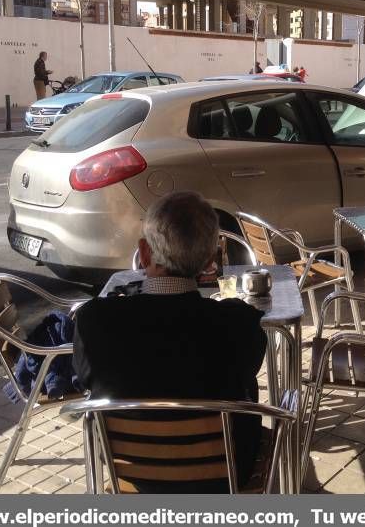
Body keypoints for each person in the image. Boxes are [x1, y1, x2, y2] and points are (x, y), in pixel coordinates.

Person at [72, 191, 267, 492]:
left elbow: (84, 380)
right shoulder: (238, 323)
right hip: (223, 475)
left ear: (145, 253)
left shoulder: (94, 321)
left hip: (130, 473)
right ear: (208, 263)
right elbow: (248, 372)